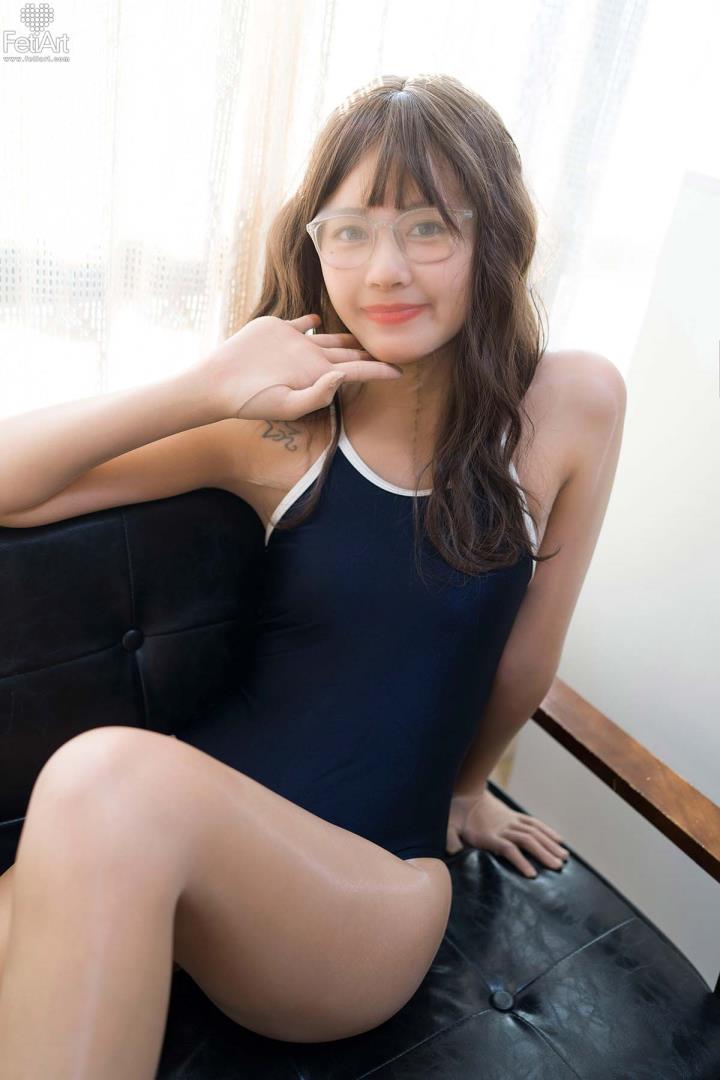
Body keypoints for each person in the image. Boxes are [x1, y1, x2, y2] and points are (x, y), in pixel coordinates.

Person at [0, 74, 626, 1074]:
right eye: (350, 231)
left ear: (494, 236)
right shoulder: (282, 429)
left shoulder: (571, 404)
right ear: (314, 246)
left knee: (103, 776)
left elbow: (525, 659)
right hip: (184, 839)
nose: (386, 269)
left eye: (428, 228)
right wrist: (205, 385)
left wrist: (467, 791)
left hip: (366, 896)